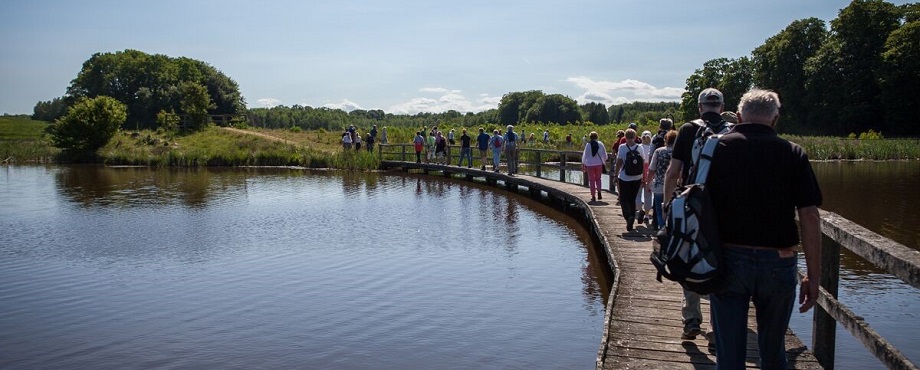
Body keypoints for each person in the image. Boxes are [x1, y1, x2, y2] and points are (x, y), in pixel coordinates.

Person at [706, 89, 822, 369]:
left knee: (729, 357)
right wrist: (814, 277)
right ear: (775, 119)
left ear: (739, 115)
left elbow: (698, 206)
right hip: (779, 261)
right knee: (773, 353)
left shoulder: (716, 149)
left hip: (727, 258)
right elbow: (809, 216)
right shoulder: (793, 153)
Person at [663, 87, 729, 342]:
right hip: (722, 208)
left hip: (692, 203)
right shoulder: (731, 131)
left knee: (689, 253)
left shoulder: (688, 129)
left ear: (700, 107)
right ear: (721, 107)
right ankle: (717, 327)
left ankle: (692, 320)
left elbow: (673, 171)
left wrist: (668, 206)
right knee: (719, 259)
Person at [613, 129, 643, 231]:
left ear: (625, 137)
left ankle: (629, 217)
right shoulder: (640, 147)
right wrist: (643, 177)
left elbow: (619, 163)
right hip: (637, 177)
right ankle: (632, 217)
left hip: (625, 177)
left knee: (623, 199)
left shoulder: (622, 147)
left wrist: (616, 175)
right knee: (632, 199)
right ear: (635, 137)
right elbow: (642, 163)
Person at [648, 130, 676, 230]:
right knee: (672, 211)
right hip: (674, 187)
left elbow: (651, 169)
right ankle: (670, 231)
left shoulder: (658, 151)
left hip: (659, 185)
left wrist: (648, 183)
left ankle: (662, 230)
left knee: (659, 211)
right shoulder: (678, 152)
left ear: (666, 140)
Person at [581, 131, 609, 202]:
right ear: (597, 137)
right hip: (599, 164)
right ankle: (599, 191)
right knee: (598, 179)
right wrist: (604, 161)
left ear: (590, 137)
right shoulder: (600, 144)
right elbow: (604, 155)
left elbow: (585, 155)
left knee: (592, 180)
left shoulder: (588, 145)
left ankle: (593, 196)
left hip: (590, 164)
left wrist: (584, 163)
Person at [636, 131, 654, 224]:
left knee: (637, 195)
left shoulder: (638, 147)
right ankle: (647, 215)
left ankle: (640, 210)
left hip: (639, 173)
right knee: (648, 195)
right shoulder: (652, 148)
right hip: (649, 173)